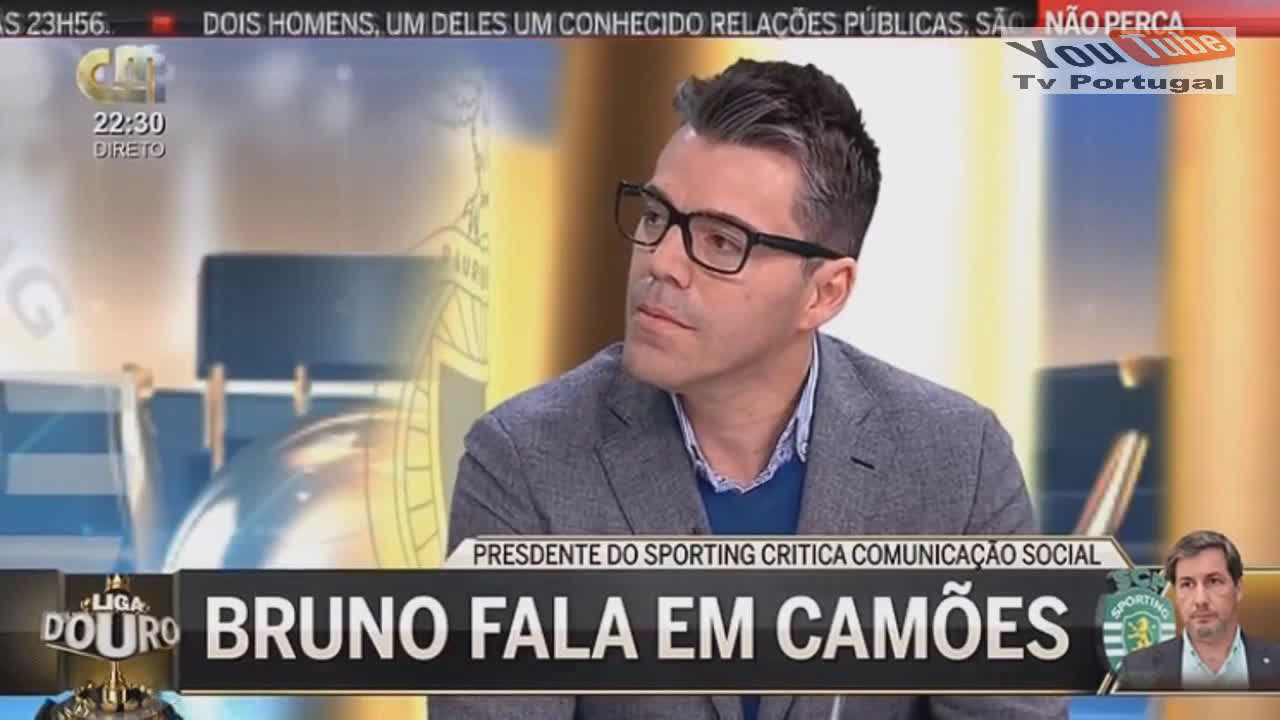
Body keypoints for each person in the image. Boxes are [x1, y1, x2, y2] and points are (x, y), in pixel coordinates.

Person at [436, 59, 1065, 720]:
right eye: (656, 215)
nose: (661, 263)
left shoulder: (959, 461)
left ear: (825, 293)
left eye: (720, 241)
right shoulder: (523, 461)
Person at [1117, 530, 1280, 691]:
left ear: (1238, 589)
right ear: (1175, 594)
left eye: (1214, 581)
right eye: (1187, 584)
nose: (1200, 600)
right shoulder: (1137, 669)